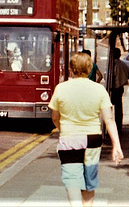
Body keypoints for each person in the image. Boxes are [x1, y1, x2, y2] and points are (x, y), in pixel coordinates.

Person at [49, 52, 123, 206]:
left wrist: (62, 129)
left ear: (70, 68)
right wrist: (116, 145)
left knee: (72, 181)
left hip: (69, 138)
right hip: (93, 138)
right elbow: (109, 119)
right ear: (90, 69)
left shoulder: (61, 88)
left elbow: (55, 117)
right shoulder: (99, 90)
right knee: (89, 180)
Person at [111, 48, 129, 135]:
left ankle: (111, 126)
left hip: (113, 87)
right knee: (119, 108)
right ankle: (119, 126)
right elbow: (128, 74)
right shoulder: (123, 64)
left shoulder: (112, 64)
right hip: (120, 87)